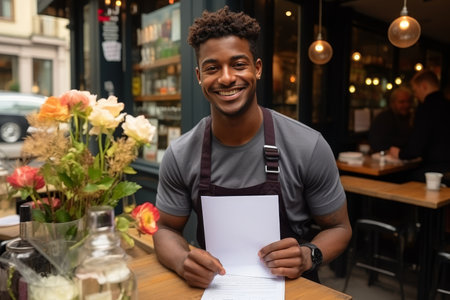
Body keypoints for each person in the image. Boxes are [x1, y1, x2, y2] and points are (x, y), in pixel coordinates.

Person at [153, 6, 352, 288]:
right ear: (199, 77)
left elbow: (340, 228)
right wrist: (182, 262)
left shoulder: (308, 145)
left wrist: (308, 256)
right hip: (212, 289)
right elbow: (165, 229)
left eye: (238, 64)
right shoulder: (181, 153)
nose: (226, 78)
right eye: (212, 68)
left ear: (257, 69)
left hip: (293, 289)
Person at [389, 69, 450, 182]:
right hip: (446, 169)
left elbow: (415, 148)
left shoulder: (425, 108)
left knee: (401, 180)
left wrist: (400, 153)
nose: (416, 95)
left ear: (424, 86)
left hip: (435, 172)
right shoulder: (447, 104)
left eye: (415, 90)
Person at [368, 87, 413, 153]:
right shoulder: (383, 119)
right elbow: (377, 144)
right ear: (392, 103)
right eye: (402, 102)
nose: (406, 105)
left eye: (408, 101)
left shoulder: (412, 117)